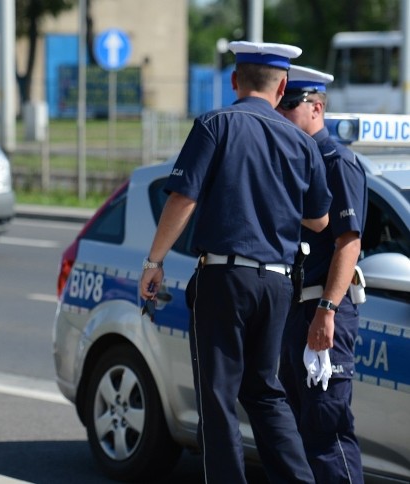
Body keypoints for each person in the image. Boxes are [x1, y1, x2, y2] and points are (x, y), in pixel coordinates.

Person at [139, 41, 332, 483]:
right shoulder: (301, 143)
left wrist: (154, 261)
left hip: (225, 278)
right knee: (266, 393)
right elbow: (320, 220)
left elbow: (183, 197)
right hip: (279, 284)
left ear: (234, 81)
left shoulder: (215, 124)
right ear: (283, 86)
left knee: (219, 394)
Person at [276, 65, 366, 484]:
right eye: (280, 103)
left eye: (290, 104)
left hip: (322, 310)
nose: (283, 112)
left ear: (317, 107)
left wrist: (327, 310)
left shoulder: (337, 161)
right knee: (293, 435)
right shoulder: (291, 163)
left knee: (326, 433)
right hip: (293, 311)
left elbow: (349, 243)